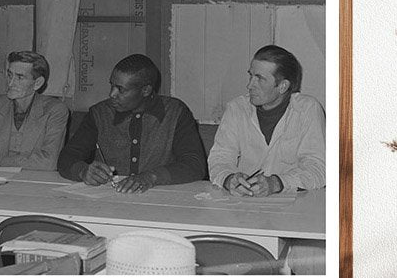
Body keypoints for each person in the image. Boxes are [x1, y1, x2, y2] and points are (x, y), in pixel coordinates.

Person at [57, 53, 207, 193]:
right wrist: (83, 171)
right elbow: (67, 157)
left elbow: (195, 165)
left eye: (121, 90)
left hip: (161, 201)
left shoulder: (175, 113)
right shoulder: (100, 113)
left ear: (146, 90)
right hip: (108, 202)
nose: (112, 94)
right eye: (112, 85)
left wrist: (151, 177)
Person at [208, 44, 326, 196]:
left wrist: (278, 183)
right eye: (251, 75)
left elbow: (318, 168)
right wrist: (228, 178)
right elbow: (220, 157)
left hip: (294, 205)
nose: (249, 85)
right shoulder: (236, 108)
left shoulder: (307, 110)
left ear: (282, 86)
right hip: (244, 204)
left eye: (260, 79)